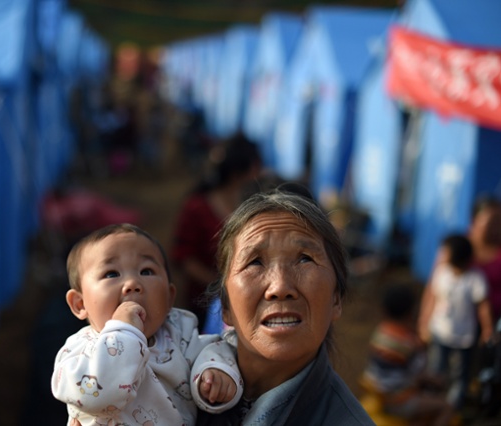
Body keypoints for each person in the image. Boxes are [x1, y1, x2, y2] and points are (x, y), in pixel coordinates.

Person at [197, 188, 375, 425]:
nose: (279, 287)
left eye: (304, 259)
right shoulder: (166, 385)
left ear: (336, 299)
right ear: (226, 305)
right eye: (255, 262)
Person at [51, 223, 243, 425]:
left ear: (169, 298)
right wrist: (124, 332)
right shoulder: (78, 352)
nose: (133, 283)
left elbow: (215, 347)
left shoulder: (180, 332)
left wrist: (215, 371)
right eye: (111, 274)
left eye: (146, 271)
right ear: (80, 304)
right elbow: (96, 397)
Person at [171, 132, 262, 331]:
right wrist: (221, 286)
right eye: (256, 166)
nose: (260, 171)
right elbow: (185, 258)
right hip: (205, 304)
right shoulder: (197, 207)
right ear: (242, 170)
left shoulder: (256, 204)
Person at [418, 234, 494, 409]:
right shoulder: (441, 273)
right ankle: (432, 403)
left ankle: (453, 406)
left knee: (460, 374)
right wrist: (424, 321)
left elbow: (483, 305)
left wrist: (487, 328)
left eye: (444, 252)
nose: (440, 255)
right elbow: (432, 298)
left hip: (463, 338)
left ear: (458, 256)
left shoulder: (475, 279)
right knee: (436, 369)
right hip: (439, 332)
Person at [361, 284, 454, 425]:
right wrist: (437, 380)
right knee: (446, 407)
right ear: (411, 312)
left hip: (379, 392)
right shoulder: (410, 344)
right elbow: (419, 375)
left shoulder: (379, 333)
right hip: (398, 401)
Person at [468, 196, 501, 324]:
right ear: (474, 220)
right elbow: (435, 284)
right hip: (459, 328)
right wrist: (424, 321)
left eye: (499, 221)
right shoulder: (458, 247)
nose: (497, 227)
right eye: (492, 222)